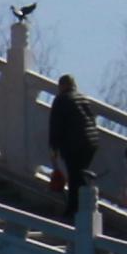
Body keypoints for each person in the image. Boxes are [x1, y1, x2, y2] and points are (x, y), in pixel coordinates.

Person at [45, 74, 100, 223]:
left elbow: (56, 125)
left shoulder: (61, 100)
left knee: (75, 176)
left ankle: (74, 209)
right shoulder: (82, 98)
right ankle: (79, 207)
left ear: (62, 86)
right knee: (79, 175)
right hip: (91, 142)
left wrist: (53, 147)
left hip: (74, 143)